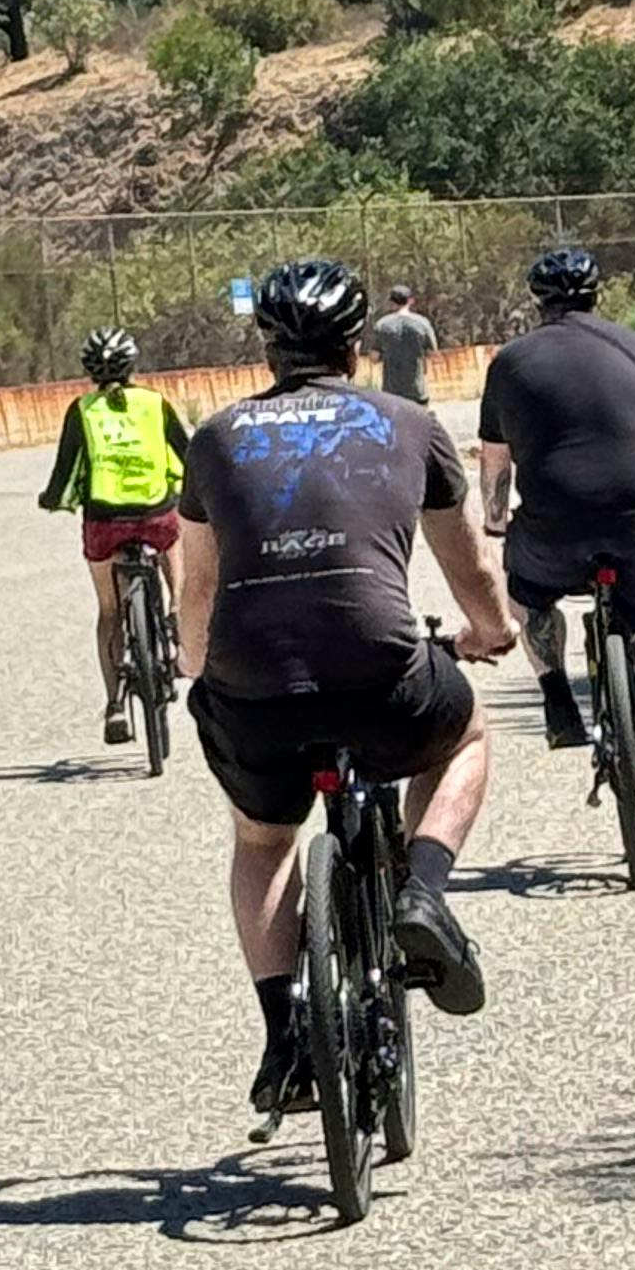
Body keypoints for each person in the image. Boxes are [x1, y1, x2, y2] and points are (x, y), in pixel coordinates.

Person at [174, 259, 518, 1122]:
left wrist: (195, 666)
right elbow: (469, 566)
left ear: (267, 349)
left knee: (263, 841)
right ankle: (423, 893)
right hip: (378, 672)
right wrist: (493, 631)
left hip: (254, 685)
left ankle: (284, 1033)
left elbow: (197, 597)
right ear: (356, 347)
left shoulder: (216, 438)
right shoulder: (409, 424)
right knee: (467, 736)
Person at [477, 246, 635, 820]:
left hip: (556, 521)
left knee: (527, 594)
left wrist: (495, 520)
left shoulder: (510, 362)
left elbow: (494, 460)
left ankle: (558, 699)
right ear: (596, 296)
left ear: (538, 303)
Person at [35, 325, 192, 745]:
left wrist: (51, 499)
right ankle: (177, 615)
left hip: (104, 520)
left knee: (108, 611)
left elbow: (65, 471)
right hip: (155, 513)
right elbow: (186, 451)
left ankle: (115, 706)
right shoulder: (154, 404)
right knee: (172, 541)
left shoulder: (82, 410)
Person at [369, 284, 440, 405]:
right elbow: (434, 355)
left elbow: (373, 358)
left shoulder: (381, 325)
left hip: (391, 392)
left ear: (391, 302)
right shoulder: (422, 323)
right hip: (416, 391)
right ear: (410, 301)